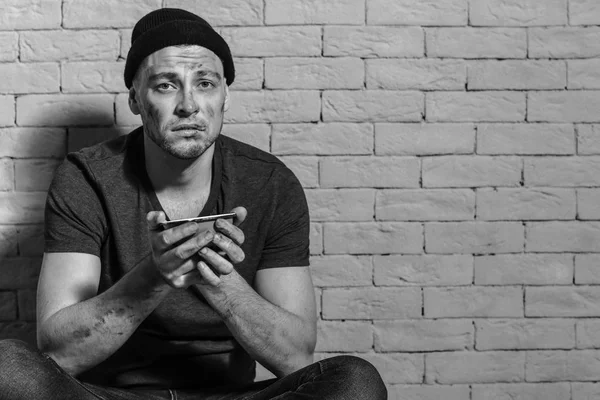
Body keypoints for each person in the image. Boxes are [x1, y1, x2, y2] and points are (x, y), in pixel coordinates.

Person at [0, 7, 387, 400]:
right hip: (108, 395)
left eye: (204, 83)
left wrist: (218, 279)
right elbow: (58, 353)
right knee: (7, 368)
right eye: (166, 85)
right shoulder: (86, 178)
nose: (189, 104)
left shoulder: (270, 182)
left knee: (356, 382)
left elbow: (295, 356)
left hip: (233, 396)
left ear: (225, 95)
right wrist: (154, 276)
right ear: (135, 98)